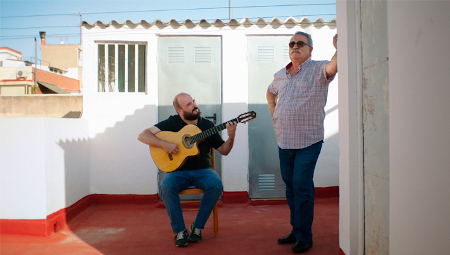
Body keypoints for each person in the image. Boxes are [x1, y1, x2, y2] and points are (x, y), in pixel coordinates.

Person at [266, 32, 337, 253]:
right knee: (290, 187)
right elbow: (270, 93)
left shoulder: (318, 68)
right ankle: (297, 230)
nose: (295, 46)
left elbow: (334, 66)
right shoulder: (281, 74)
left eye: (300, 43)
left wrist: (339, 46)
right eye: (292, 44)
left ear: (309, 49)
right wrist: (274, 115)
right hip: (284, 140)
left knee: (301, 185)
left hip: (309, 140)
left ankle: (305, 236)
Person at [138, 93, 237, 247]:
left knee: (216, 184)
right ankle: (180, 231)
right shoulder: (172, 123)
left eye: (193, 102)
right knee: (166, 186)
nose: (194, 106)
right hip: (177, 172)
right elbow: (143, 135)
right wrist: (165, 144)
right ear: (179, 110)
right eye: (189, 105)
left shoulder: (207, 126)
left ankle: (197, 227)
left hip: (203, 170)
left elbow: (224, 150)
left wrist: (231, 137)